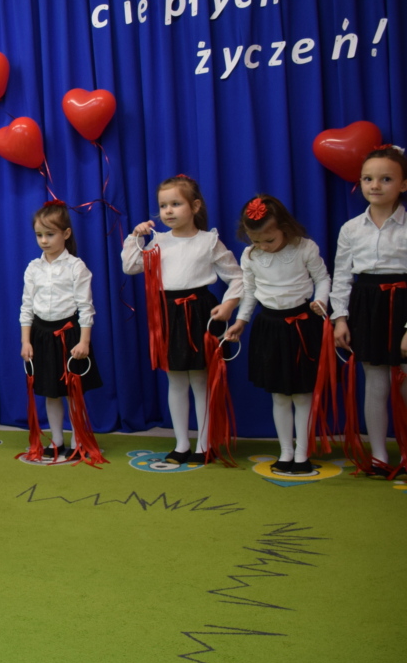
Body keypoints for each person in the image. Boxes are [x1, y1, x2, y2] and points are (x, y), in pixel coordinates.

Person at [123, 175, 243, 463]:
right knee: (176, 380)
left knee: (200, 380)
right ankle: (180, 444)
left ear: (195, 206)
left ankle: (204, 445)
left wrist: (229, 305)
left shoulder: (209, 241)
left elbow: (238, 277)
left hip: (200, 313)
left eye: (176, 204)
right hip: (168, 315)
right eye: (163, 206)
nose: (168, 211)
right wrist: (135, 237)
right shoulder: (158, 242)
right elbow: (130, 266)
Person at [223, 195, 330, 475]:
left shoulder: (305, 248)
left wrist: (320, 301)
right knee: (280, 396)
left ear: (285, 227)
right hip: (270, 328)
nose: (262, 246)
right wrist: (241, 321)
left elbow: (322, 278)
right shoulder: (250, 255)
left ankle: (303, 454)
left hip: (302, 327)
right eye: (255, 240)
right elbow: (250, 293)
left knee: (302, 395)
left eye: (268, 240)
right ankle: (285, 452)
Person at [331, 146, 407, 476]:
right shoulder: (351, 228)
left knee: (405, 385)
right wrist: (340, 319)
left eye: (386, 179)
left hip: (402, 306)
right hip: (367, 306)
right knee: (375, 384)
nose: (375, 185)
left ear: (403, 184)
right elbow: (342, 277)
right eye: (368, 179)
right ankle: (378, 456)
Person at [18, 201, 105, 463]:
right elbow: (26, 307)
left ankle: (78, 440)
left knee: (73, 393)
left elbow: (86, 308)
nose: (44, 240)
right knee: (50, 392)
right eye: (39, 235)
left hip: (70, 336)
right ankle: (56, 440)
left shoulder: (76, 267)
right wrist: (25, 342)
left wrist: (84, 342)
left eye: (50, 234)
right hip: (42, 337)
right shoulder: (33, 268)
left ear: (66, 233)